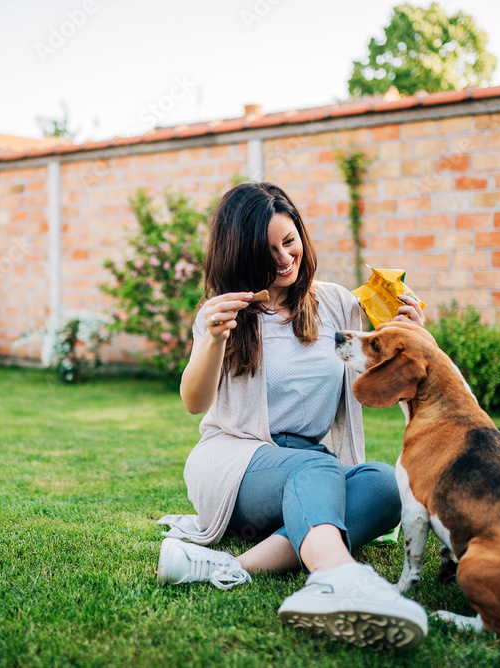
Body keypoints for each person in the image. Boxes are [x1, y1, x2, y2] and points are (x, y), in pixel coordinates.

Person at [156, 181, 428, 651]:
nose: (284, 259)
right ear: (239, 255)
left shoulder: (336, 304)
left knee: (386, 486)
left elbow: (369, 387)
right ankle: (339, 577)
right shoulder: (223, 314)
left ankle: (229, 569)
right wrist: (213, 339)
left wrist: (413, 338)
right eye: (268, 251)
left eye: (290, 241)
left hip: (306, 469)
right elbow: (194, 402)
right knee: (316, 464)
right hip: (236, 463)